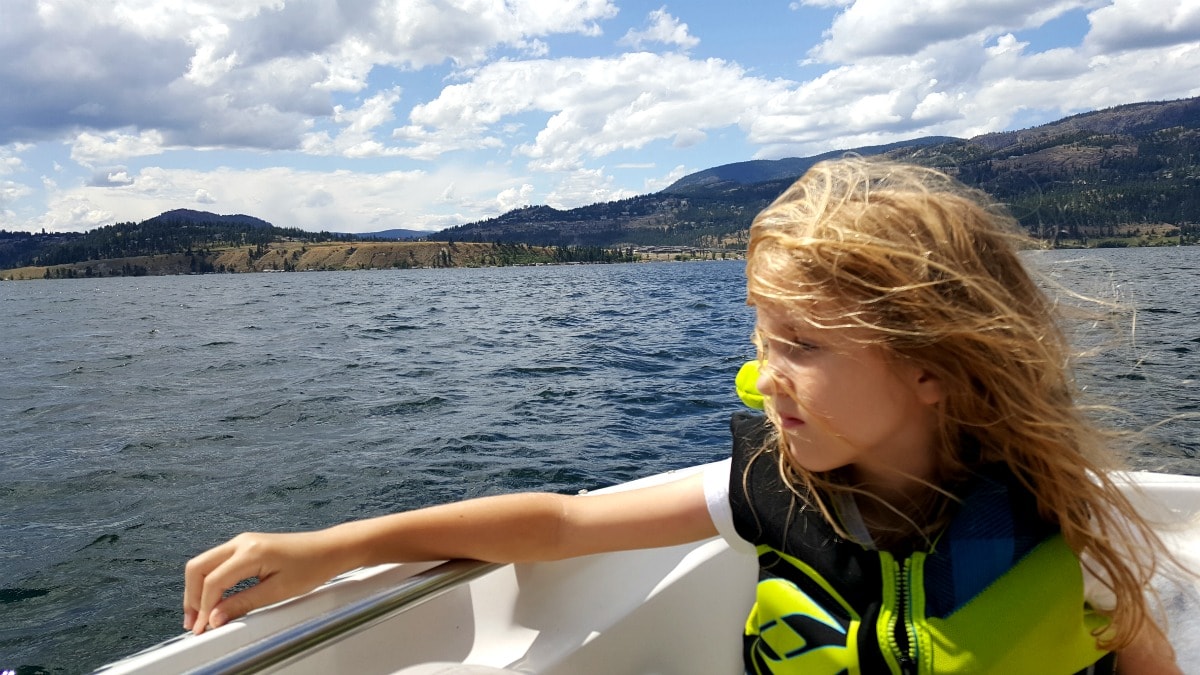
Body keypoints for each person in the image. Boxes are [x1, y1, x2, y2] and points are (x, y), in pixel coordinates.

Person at [184, 158, 1182, 673]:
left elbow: (1143, 655)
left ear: (935, 369)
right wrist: (333, 547)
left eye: (802, 344)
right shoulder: (768, 490)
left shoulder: (1059, 523)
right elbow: (562, 523)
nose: (762, 376)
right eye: (761, 337)